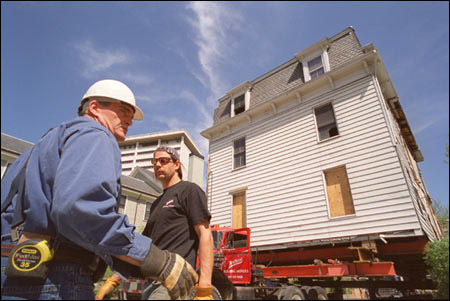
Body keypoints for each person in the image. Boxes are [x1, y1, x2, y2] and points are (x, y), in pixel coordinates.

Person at [1, 79, 198, 300]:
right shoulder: (96, 134)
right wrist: (157, 260)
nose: (129, 122)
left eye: (131, 116)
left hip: (12, 267)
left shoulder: (38, 149)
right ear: (94, 108)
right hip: (55, 276)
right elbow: (81, 212)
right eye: (123, 111)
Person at [96, 146, 214, 300]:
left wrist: (204, 289)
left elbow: (205, 234)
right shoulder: (157, 203)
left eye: (163, 160)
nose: (157, 165)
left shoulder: (189, 190)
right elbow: (143, 246)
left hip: (175, 280)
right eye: (155, 161)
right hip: (151, 282)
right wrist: (113, 281)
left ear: (177, 164)